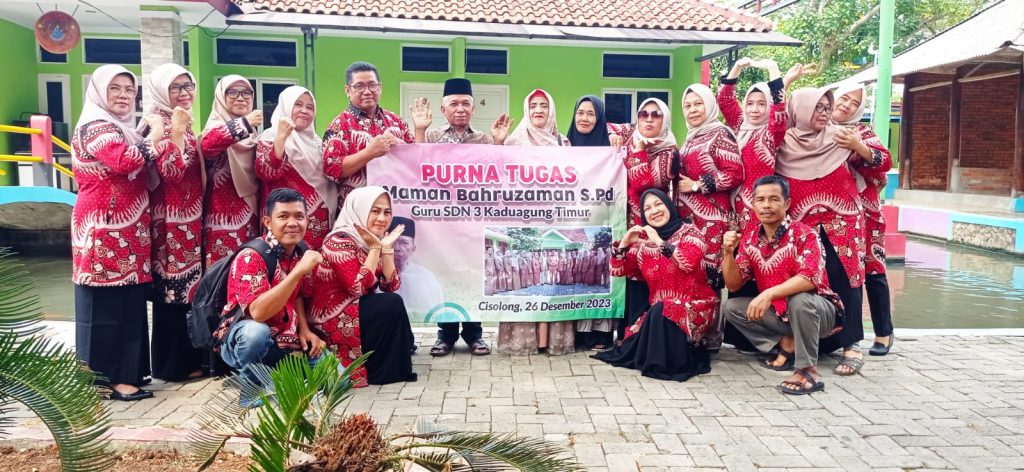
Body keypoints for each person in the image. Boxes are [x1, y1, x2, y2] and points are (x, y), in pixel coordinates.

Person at [72, 65, 162, 401]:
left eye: (129, 89)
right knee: (105, 303)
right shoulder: (95, 126)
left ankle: (128, 373)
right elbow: (124, 160)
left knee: (129, 301)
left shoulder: (119, 127)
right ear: (99, 92)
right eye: (115, 88)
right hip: (104, 227)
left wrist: (145, 132)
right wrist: (155, 135)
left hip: (129, 228)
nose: (124, 95)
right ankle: (106, 380)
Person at [722, 175, 843, 394]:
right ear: (753, 204)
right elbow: (733, 285)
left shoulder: (805, 234)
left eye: (774, 199)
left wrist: (768, 294)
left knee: (800, 299)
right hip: (782, 315)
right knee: (731, 308)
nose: (766, 205)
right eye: (760, 200)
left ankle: (807, 370)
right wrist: (728, 253)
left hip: (819, 312)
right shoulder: (750, 238)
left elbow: (810, 277)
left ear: (787, 204)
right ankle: (786, 342)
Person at [777, 87, 866, 375]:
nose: (825, 113)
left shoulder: (843, 136)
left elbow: (881, 163)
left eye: (827, 107)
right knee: (808, 282)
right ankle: (814, 344)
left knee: (846, 280)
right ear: (801, 110)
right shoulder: (782, 145)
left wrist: (859, 147)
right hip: (802, 227)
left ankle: (851, 345)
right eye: (817, 107)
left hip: (843, 222)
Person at [592, 190, 718, 381]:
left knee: (662, 310)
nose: (654, 211)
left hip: (696, 306)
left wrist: (659, 241)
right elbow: (617, 271)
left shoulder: (691, 233)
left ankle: (678, 355)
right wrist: (624, 244)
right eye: (648, 208)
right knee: (633, 340)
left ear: (669, 206)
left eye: (659, 204)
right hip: (660, 312)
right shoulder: (643, 245)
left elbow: (687, 263)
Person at [215, 188, 325, 395]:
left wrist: (304, 329)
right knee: (255, 334)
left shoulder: (300, 250)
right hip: (243, 340)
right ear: (268, 222)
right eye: (283, 217)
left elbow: (297, 294)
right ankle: (251, 390)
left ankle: (277, 379)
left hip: (285, 342)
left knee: (337, 379)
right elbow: (258, 313)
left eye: (299, 216)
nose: (292, 223)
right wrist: (298, 272)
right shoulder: (252, 255)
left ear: (307, 220)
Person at [308, 186, 417, 386]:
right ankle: (377, 371)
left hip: (356, 307)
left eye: (387, 212)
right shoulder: (338, 241)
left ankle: (388, 369)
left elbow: (391, 285)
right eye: (375, 211)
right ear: (359, 209)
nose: (382, 218)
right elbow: (356, 287)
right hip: (332, 318)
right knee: (390, 304)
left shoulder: (373, 240)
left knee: (392, 301)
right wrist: (376, 249)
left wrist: (386, 249)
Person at [498, 89, 574, 355]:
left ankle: (553, 340)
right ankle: (524, 341)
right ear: (526, 110)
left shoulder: (563, 143)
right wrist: (498, 144)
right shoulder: (513, 142)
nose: (538, 110)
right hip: (522, 215)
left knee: (551, 284)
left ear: (551, 110)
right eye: (533, 106)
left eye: (544, 105)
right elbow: (499, 175)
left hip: (555, 215)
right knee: (530, 285)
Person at [144, 63, 205, 382]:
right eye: (175, 88)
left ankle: (186, 360)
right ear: (160, 91)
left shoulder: (181, 119)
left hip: (188, 219)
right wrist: (177, 131)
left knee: (186, 292)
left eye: (188, 86)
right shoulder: (157, 123)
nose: (184, 93)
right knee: (171, 292)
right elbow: (171, 171)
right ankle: (170, 366)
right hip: (168, 222)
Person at [832, 82, 895, 356]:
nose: (846, 105)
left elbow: (884, 162)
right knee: (839, 274)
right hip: (833, 217)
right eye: (844, 98)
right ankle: (836, 334)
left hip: (866, 215)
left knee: (873, 270)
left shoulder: (862, 132)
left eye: (855, 103)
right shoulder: (816, 127)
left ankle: (883, 331)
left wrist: (857, 146)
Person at [607, 98, 677, 343]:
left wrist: (638, 150)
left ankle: (645, 338)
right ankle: (625, 334)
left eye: (656, 115)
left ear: (665, 120)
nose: (649, 119)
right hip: (620, 221)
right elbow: (601, 124)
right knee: (623, 276)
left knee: (644, 279)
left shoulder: (669, 152)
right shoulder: (629, 133)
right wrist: (613, 136)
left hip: (650, 226)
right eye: (643, 114)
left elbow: (646, 186)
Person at [322, 62, 414, 208]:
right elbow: (331, 170)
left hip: (397, 206)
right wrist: (369, 153)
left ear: (380, 88)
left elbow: (416, 161)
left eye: (372, 85)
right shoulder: (339, 125)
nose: (367, 91)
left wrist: (401, 147)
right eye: (359, 86)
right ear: (347, 90)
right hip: (357, 210)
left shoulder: (396, 121)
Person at [255, 85, 335, 250]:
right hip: (285, 222)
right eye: (298, 104)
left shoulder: (316, 142)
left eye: (310, 107)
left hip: (317, 224)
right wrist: (282, 137)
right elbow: (266, 172)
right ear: (286, 106)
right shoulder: (270, 136)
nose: (304, 110)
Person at [717, 58, 789, 230]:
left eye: (762, 104)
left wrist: (773, 68)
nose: (754, 109)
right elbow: (725, 100)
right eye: (749, 104)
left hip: (760, 208)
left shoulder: (771, 133)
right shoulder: (739, 125)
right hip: (732, 207)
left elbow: (779, 107)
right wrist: (737, 67)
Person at [200, 75, 264, 268]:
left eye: (246, 93)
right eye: (233, 92)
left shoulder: (252, 134)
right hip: (222, 217)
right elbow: (208, 146)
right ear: (221, 97)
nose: (241, 98)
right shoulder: (216, 127)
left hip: (251, 214)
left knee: (248, 270)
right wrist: (244, 123)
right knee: (222, 273)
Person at [413, 78, 512, 144]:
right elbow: (418, 161)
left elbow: (495, 164)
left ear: (472, 110)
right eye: (454, 104)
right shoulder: (431, 137)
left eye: (466, 104)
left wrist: (498, 142)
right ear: (443, 110)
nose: (460, 109)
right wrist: (419, 130)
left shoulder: (484, 139)